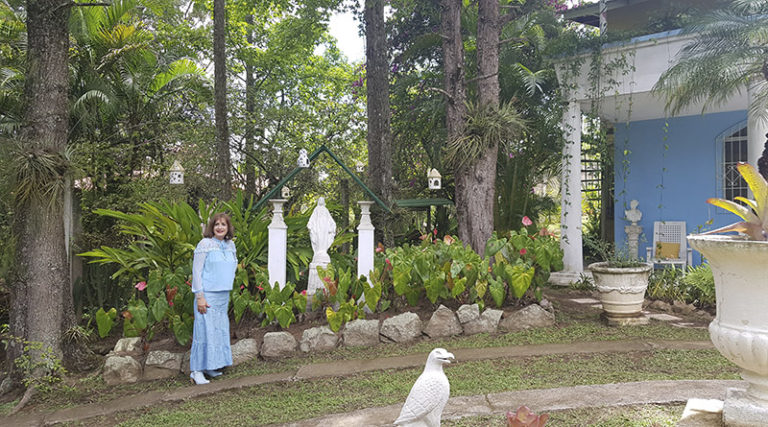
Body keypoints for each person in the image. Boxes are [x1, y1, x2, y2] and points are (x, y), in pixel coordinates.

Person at [189, 213, 237, 385]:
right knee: (204, 332)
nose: (220, 227)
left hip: (223, 295)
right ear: (212, 227)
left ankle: (210, 366)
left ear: (228, 228)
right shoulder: (205, 244)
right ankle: (196, 371)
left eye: (223, 224)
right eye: (217, 224)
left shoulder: (230, 245)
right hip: (207, 295)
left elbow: (233, 267)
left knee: (217, 332)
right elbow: (196, 271)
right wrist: (199, 296)